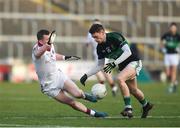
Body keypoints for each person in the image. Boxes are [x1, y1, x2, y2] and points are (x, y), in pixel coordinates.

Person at [80, 24, 153, 118]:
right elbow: (100, 65)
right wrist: (86, 75)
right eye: (93, 38)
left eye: (96, 37)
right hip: (123, 67)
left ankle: (128, 108)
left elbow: (128, 52)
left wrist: (114, 64)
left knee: (119, 78)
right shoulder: (99, 48)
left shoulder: (115, 37)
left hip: (134, 62)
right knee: (133, 90)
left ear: (102, 32)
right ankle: (146, 105)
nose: (95, 40)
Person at [32, 29, 108, 118]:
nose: (50, 41)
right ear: (40, 41)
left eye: (50, 39)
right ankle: (95, 114)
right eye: (47, 39)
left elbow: (53, 55)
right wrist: (47, 45)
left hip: (59, 76)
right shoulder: (36, 49)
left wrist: (66, 57)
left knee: (78, 94)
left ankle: (85, 96)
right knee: (71, 102)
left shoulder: (50, 45)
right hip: (49, 86)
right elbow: (38, 54)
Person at [86, 19, 118, 96]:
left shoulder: (90, 34)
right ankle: (109, 87)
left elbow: (87, 44)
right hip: (100, 55)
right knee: (102, 73)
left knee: (103, 73)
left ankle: (110, 87)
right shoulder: (104, 31)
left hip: (103, 55)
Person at [161, 22, 180, 93]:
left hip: (175, 55)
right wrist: (163, 48)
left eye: (174, 27)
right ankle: (175, 82)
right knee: (168, 73)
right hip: (167, 55)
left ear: (176, 28)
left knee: (174, 71)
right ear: (170, 28)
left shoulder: (178, 36)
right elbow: (162, 42)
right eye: (172, 27)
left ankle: (171, 87)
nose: (173, 29)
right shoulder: (166, 35)